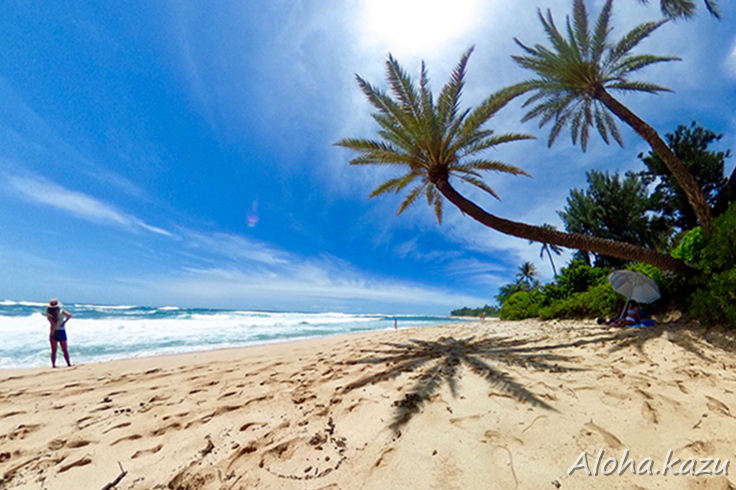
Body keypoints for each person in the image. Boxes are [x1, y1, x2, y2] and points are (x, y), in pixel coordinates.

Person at [47, 298, 72, 367]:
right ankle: (68, 363)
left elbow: (53, 325)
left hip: (54, 332)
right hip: (61, 331)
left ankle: (53, 365)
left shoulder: (49, 313)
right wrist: (64, 322)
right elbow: (69, 315)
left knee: (54, 350)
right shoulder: (61, 311)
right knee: (64, 349)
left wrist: (52, 334)